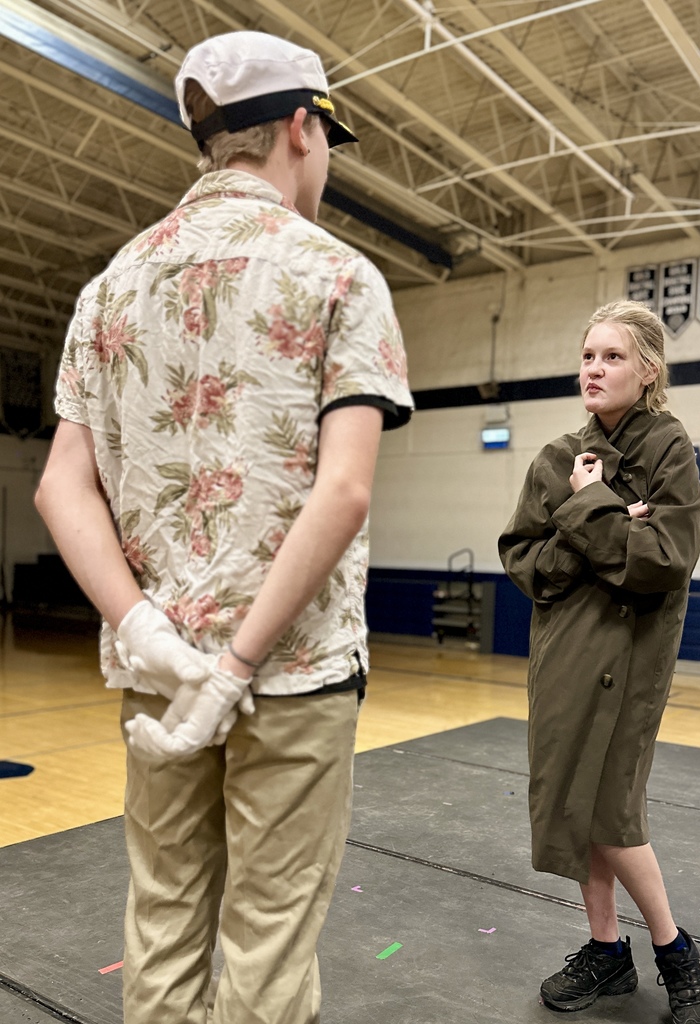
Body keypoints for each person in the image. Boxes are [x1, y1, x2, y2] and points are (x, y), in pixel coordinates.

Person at [35, 30, 412, 1024]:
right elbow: (342, 493)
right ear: (300, 126)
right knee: (269, 933)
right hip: (290, 673)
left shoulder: (109, 285)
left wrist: (152, 635)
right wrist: (237, 666)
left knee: (160, 921)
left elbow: (60, 489)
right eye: (328, 136)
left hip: (158, 679)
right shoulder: (338, 275)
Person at [498, 300, 700, 1024]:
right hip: (562, 653)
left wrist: (588, 506)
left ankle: (676, 950)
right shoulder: (556, 457)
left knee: (612, 810)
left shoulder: (669, 449)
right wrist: (599, 521)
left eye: (613, 357)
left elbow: (665, 559)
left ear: (648, 370)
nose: (594, 368)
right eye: (588, 355)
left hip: (631, 657)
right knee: (574, 803)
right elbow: (523, 561)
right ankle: (606, 951)